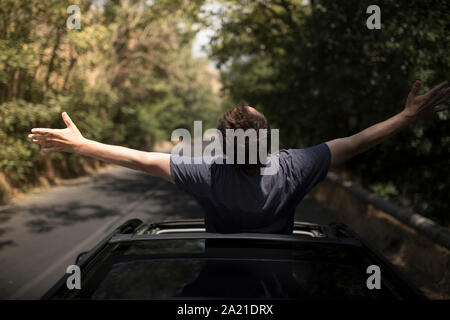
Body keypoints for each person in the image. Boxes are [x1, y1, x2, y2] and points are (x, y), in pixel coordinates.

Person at [29, 80, 449, 234]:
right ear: (268, 142)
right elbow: (356, 142)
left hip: (214, 287)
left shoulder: (205, 174)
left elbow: (139, 159)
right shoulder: (293, 166)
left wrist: (82, 144)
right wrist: (409, 115)